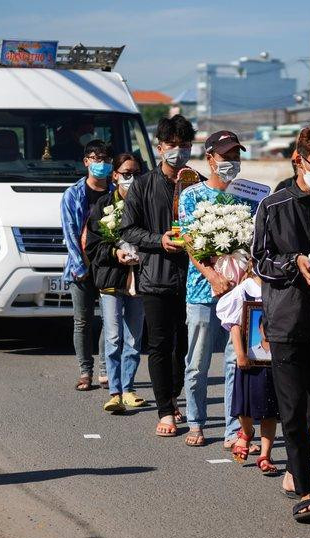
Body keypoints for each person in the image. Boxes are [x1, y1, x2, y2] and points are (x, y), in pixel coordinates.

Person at [251, 125, 310, 522]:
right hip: (287, 320)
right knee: (292, 410)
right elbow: (260, 260)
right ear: (298, 160)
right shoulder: (273, 206)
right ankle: (305, 489)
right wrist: (296, 263)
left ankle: (299, 471)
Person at [120, 114, 199, 438]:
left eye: (184, 146)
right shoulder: (143, 185)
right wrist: (159, 240)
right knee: (159, 345)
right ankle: (166, 409)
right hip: (156, 278)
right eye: (172, 146)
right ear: (160, 147)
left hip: (194, 279)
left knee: (185, 346)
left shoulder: (198, 184)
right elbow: (128, 229)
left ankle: (174, 393)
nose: (177, 152)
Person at [177, 130, 253, 447]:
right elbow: (191, 242)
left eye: (236, 157)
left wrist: (244, 276)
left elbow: (253, 243)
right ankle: (196, 421)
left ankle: (233, 429)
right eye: (226, 157)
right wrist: (212, 275)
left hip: (239, 294)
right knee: (198, 362)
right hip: (202, 292)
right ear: (210, 159)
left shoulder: (248, 196)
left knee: (236, 360)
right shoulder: (191, 196)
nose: (232, 163)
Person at [85, 153, 148, 413]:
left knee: (134, 338)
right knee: (113, 336)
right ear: (115, 175)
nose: (130, 179)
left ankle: (129, 389)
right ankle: (114, 390)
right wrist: (115, 252)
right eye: (125, 173)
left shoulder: (146, 205)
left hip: (140, 279)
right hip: (111, 279)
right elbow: (92, 246)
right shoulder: (102, 206)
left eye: (135, 173)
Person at [216, 272, 279, 475]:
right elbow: (235, 326)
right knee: (245, 407)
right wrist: (241, 354)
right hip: (248, 360)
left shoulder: (279, 287)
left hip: (274, 361)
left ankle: (265, 455)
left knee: (270, 411)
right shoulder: (245, 289)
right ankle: (247, 431)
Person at [61, 139, 111, 391]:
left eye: (105, 158)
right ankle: (85, 371)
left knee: (109, 320)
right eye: (96, 158)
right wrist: (79, 266)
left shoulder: (116, 191)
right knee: (82, 321)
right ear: (86, 162)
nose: (101, 163)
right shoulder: (73, 194)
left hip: (109, 265)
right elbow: (70, 232)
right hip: (81, 265)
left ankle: (105, 370)